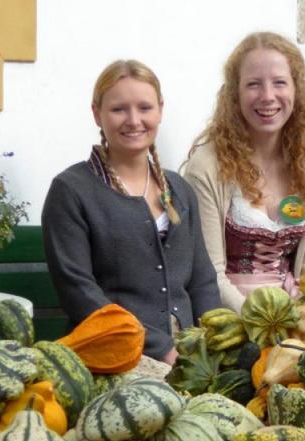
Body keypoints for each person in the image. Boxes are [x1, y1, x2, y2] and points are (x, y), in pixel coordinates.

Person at [42, 60, 221, 365]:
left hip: (191, 357)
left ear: (160, 110)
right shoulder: (71, 191)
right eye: (119, 109)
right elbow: (79, 291)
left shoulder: (179, 189)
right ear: (97, 113)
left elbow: (202, 280)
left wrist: (218, 344)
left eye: (144, 107)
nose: (134, 120)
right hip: (114, 353)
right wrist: (161, 349)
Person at [182, 31, 305, 313]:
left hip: (293, 315)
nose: (267, 96)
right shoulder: (207, 167)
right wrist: (262, 323)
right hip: (229, 318)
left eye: (279, 83)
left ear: (296, 91)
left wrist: (302, 321)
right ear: (234, 95)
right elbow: (209, 274)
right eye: (253, 84)